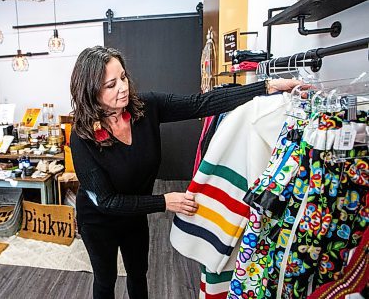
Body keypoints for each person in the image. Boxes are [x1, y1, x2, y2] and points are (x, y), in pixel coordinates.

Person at [69, 45, 302, 299]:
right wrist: (164, 201)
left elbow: (201, 103)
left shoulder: (145, 107)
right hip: (98, 220)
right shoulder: (82, 137)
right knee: (106, 279)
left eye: (123, 77)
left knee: (138, 273)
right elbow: (106, 201)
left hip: (134, 215)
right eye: (111, 84)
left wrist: (267, 87)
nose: (123, 87)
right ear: (91, 91)